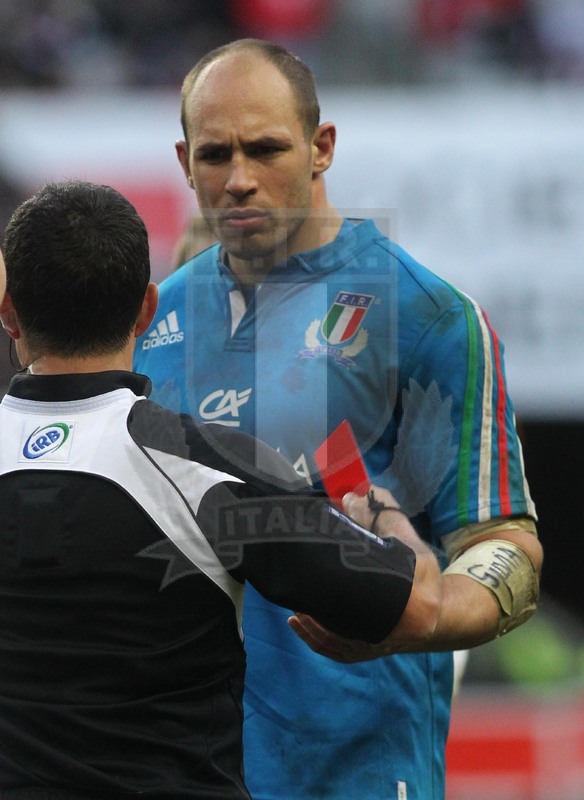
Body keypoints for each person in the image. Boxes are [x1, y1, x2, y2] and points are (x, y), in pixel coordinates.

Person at [134, 39, 543, 800]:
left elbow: (505, 545)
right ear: (185, 161)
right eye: (216, 155)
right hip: (188, 768)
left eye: (265, 149)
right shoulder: (160, 318)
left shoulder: (426, 317)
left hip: (354, 769)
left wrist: (422, 616)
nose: (240, 179)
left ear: (322, 148)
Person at [0, 180, 445, 800]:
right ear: (148, 311)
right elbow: (419, 605)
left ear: (9, 311)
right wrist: (390, 520)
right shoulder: (208, 465)